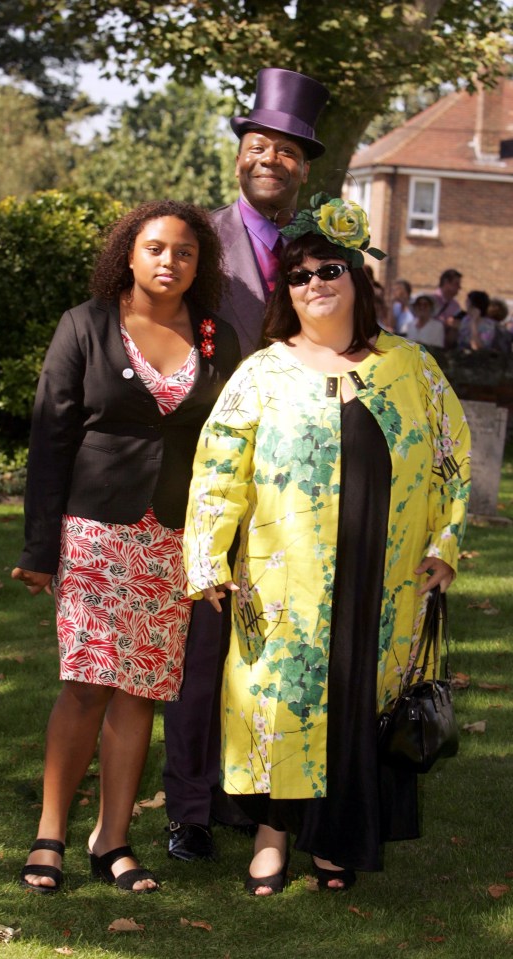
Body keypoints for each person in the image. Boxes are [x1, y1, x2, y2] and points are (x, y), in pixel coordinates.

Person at [182, 193, 471, 896]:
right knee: (283, 702)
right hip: (285, 582)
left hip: (385, 572)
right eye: (301, 275)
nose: (316, 284)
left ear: (356, 277)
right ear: (288, 290)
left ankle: (338, 837)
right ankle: (273, 835)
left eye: (329, 269)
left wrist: (445, 544)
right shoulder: (262, 371)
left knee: (357, 698)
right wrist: (206, 558)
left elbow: (450, 456)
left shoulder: (411, 367)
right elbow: (219, 470)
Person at [13, 200, 240, 894]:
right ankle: (49, 832)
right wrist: (39, 546)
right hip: (95, 532)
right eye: (155, 247)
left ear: (200, 264)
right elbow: (50, 438)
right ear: (129, 254)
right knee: (86, 685)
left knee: (141, 691)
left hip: (173, 538)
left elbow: (232, 443)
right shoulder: (86, 325)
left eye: (185, 251)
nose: (169, 260)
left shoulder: (218, 338)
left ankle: (111, 839)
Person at [163, 67, 330, 862]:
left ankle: (265, 801)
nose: (267, 158)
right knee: (203, 644)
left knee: (282, 646)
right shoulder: (200, 241)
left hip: (301, 489)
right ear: (239, 155)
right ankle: (190, 809)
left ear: (305, 166)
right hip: (210, 476)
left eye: (285, 150)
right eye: (255, 144)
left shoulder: (327, 253)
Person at [432, 268, 463, 349]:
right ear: (446, 282)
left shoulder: (456, 305)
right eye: (456, 284)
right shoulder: (431, 300)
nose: (459, 287)